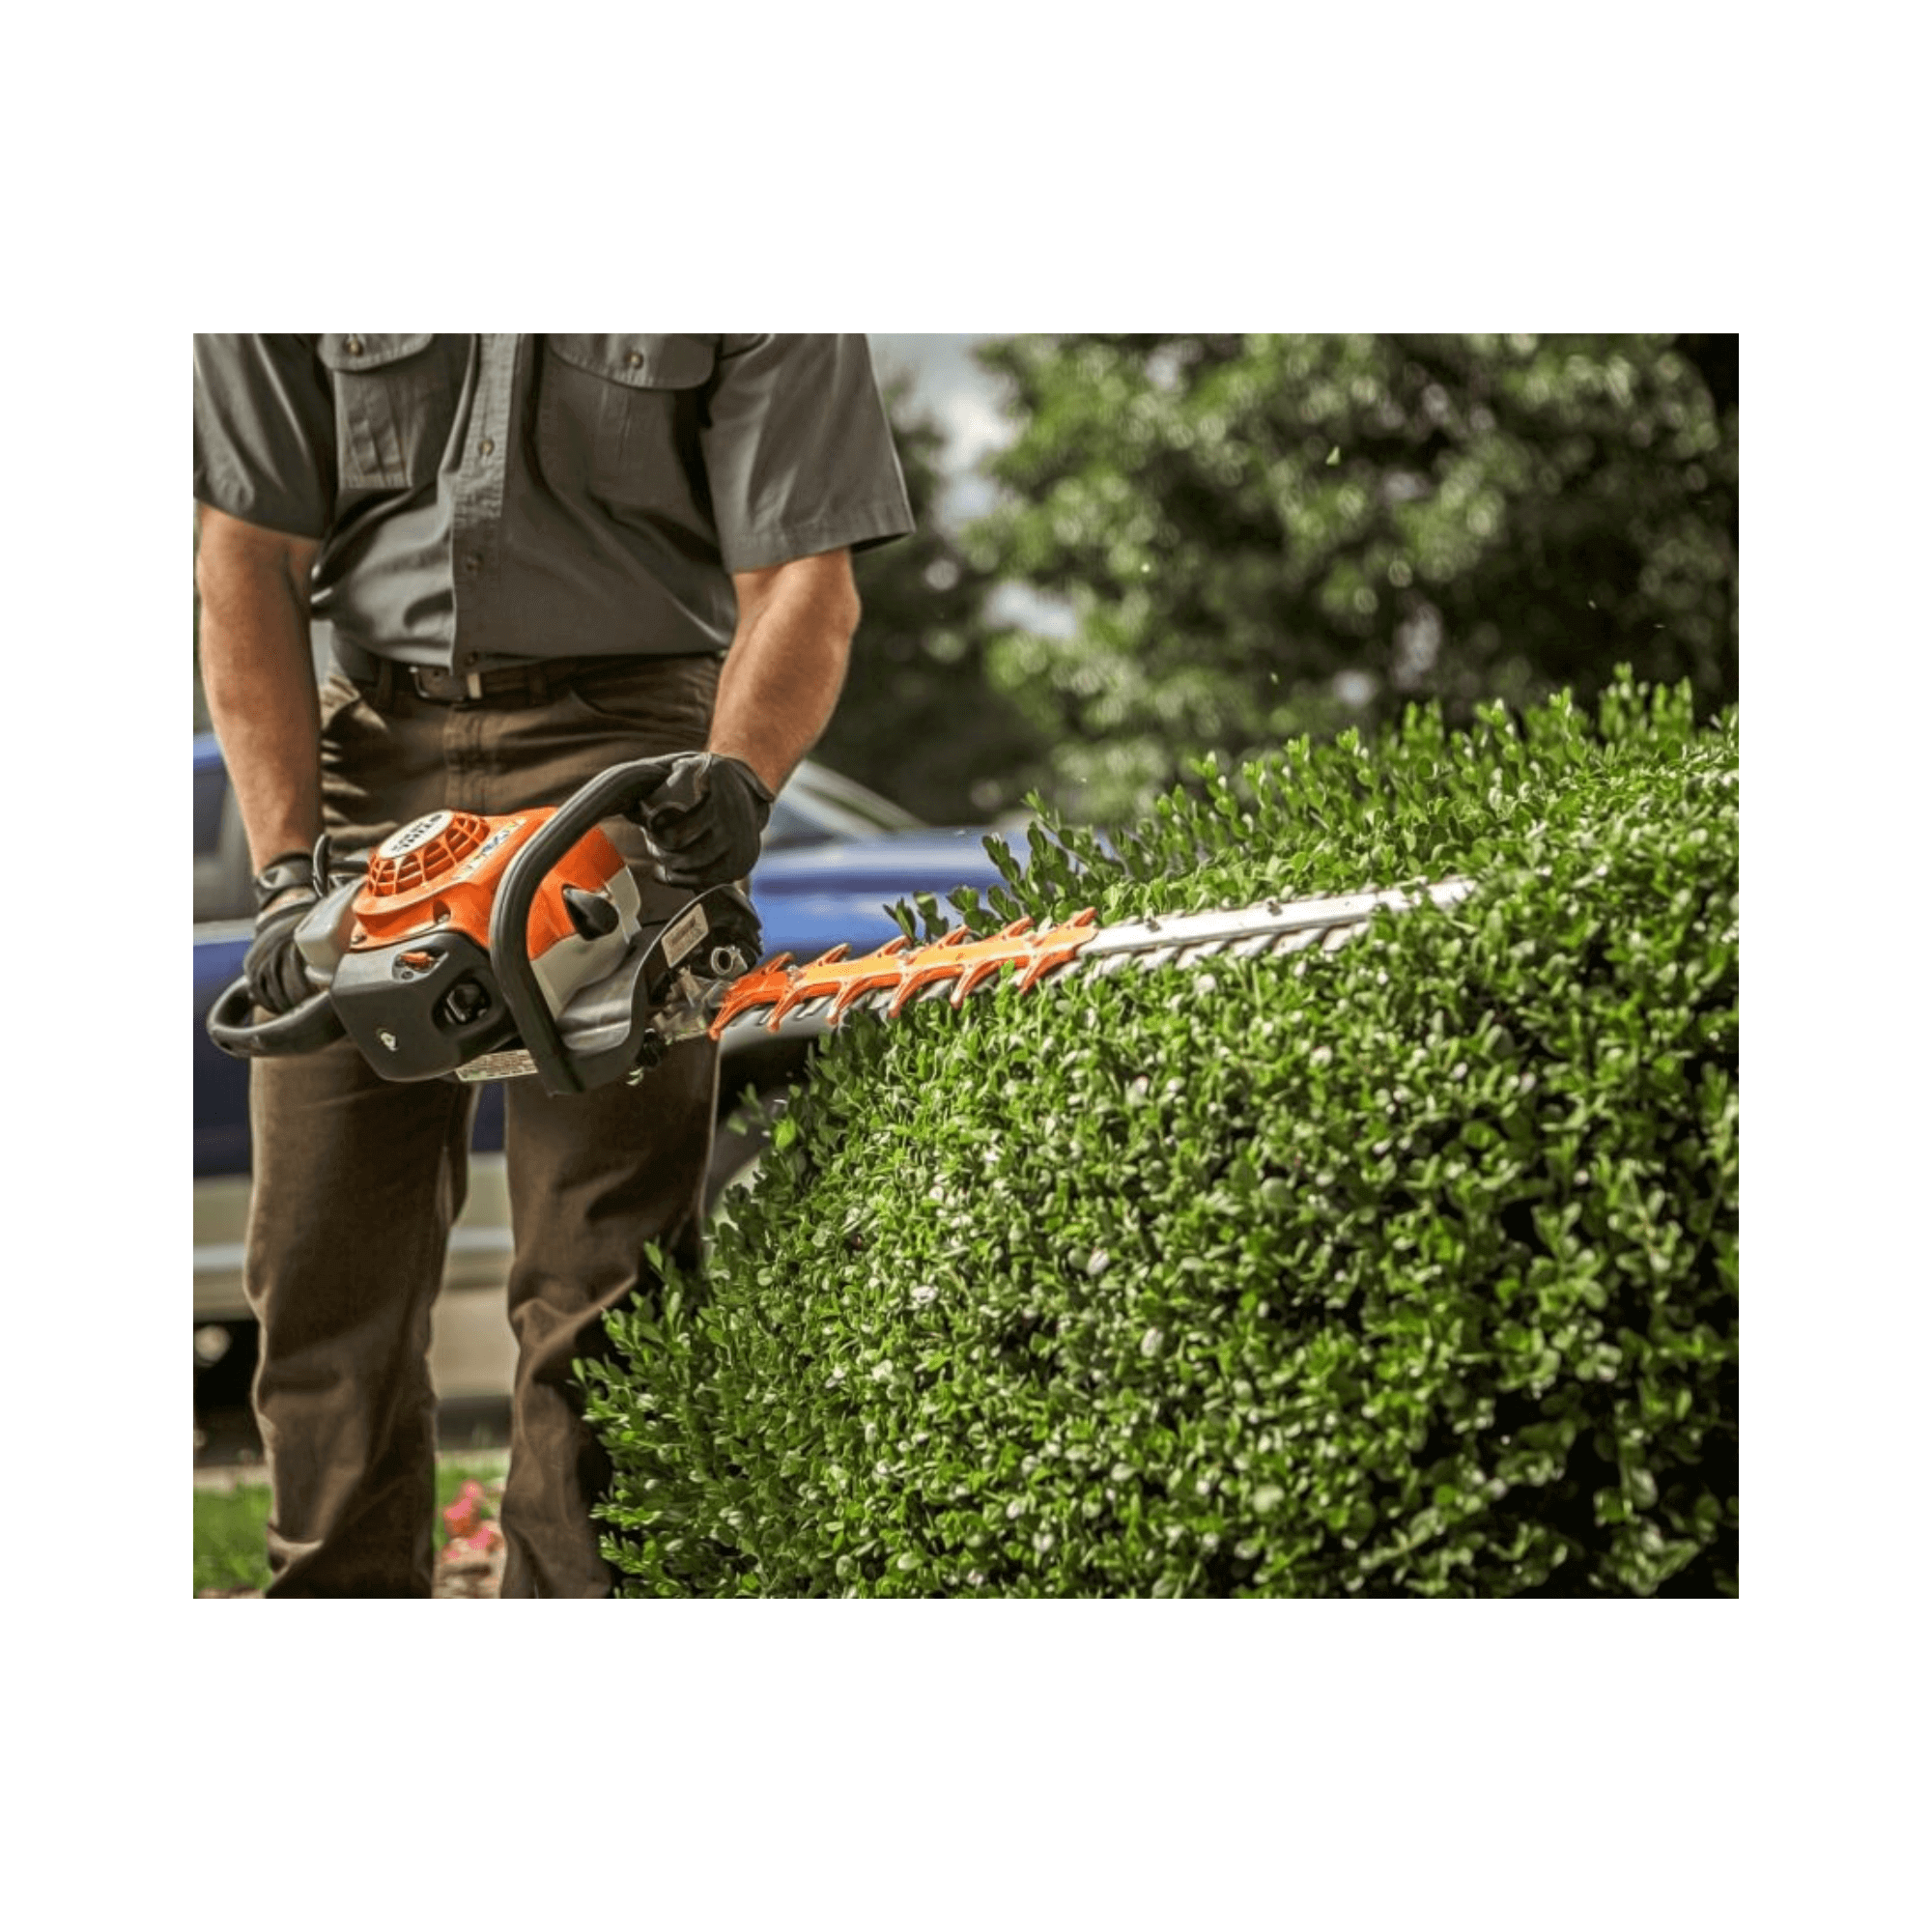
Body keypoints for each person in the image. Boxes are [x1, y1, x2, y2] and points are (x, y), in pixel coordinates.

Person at [193, 334, 914, 1597]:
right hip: (372, 766)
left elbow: (807, 574)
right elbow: (245, 555)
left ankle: (581, 1615)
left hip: (628, 755)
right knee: (319, 1275)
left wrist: (737, 777)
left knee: (603, 1279)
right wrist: (289, 869)